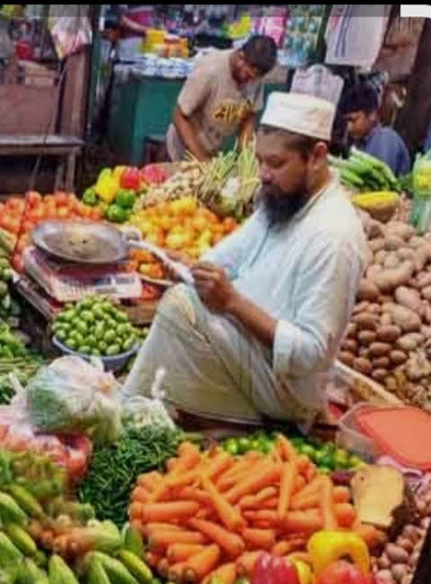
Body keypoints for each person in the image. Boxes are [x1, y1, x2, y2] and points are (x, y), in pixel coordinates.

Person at [127, 92, 366, 426]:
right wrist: (182, 262)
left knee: (181, 306)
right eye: (261, 161)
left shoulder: (333, 237)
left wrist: (233, 303)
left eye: (277, 163)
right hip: (247, 344)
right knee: (185, 299)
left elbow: (310, 354)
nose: (264, 174)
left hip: (283, 387)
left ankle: (137, 410)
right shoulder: (285, 199)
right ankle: (146, 404)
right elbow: (226, 257)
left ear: (316, 156)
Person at [166, 35, 278, 162]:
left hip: (212, 150)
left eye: (255, 77)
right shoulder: (210, 69)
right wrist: (201, 159)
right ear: (241, 57)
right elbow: (179, 115)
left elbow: (250, 116)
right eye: (247, 75)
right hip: (182, 150)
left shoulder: (256, 78)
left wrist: (245, 156)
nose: (249, 82)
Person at [341, 81, 412, 176]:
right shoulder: (358, 142)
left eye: (353, 120)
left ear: (372, 115)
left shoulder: (385, 139)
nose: (348, 127)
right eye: (346, 121)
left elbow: (380, 180)